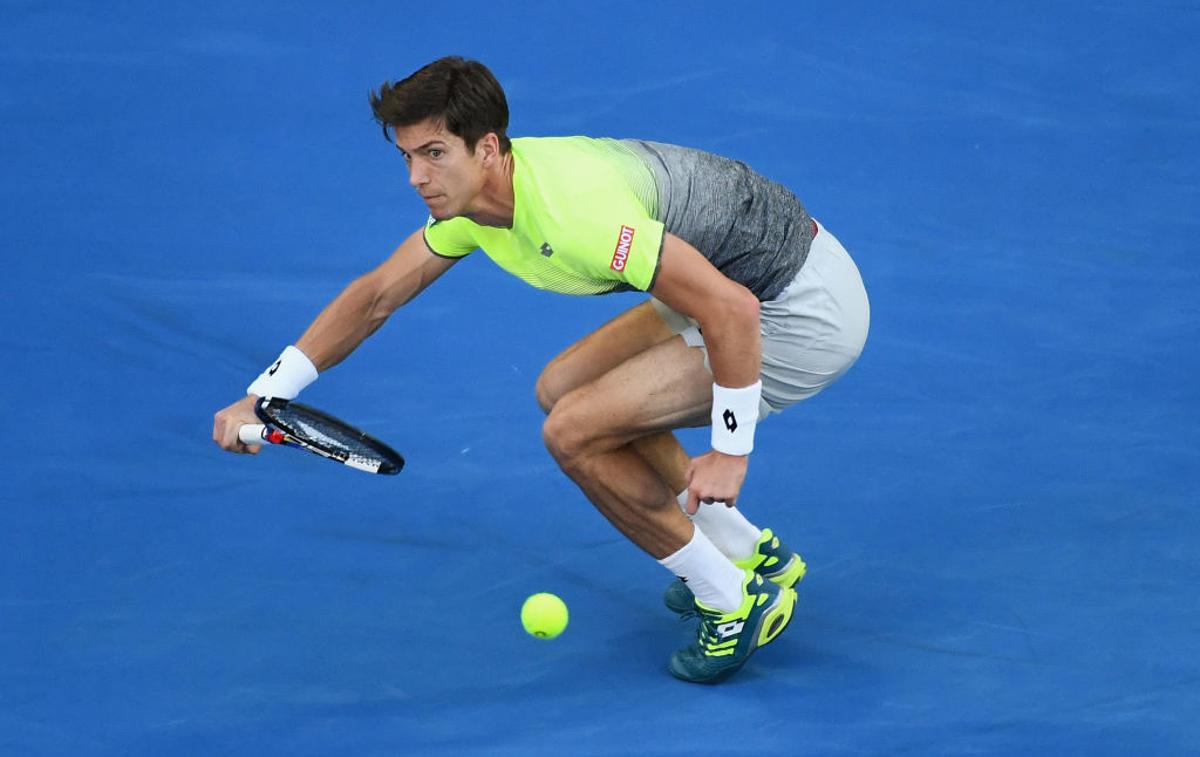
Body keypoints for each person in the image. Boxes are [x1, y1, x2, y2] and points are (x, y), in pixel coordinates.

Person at [212, 56, 869, 684]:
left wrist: (730, 451)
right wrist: (267, 391)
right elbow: (379, 293)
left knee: (575, 431)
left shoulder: (575, 213)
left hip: (801, 310)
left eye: (434, 153)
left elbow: (732, 310)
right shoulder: (476, 208)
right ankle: (746, 548)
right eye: (407, 156)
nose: (416, 177)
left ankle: (729, 598)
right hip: (735, 276)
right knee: (560, 389)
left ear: (489, 148)